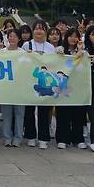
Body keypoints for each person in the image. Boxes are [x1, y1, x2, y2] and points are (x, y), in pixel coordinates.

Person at [23, 20, 56, 149]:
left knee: (44, 111)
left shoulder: (50, 47)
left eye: (41, 28)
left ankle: (43, 137)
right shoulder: (27, 45)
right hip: (30, 81)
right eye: (36, 28)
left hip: (45, 82)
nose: (39, 31)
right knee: (29, 110)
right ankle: (30, 136)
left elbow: (54, 64)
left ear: (45, 31)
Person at [55, 28, 88, 149]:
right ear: (66, 37)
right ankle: (63, 138)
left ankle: (78, 138)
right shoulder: (60, 50)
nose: (73, 39)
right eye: (70, 36)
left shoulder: (84, 52)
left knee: (78, 114)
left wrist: (80, 50)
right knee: (63, 113)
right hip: (64, 86)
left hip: (78, 87)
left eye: (76, 36)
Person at [0, 29, 25, 146]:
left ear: (19, 38)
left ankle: (18, 138)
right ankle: (7, 137)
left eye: (15, 36)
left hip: (20, 88)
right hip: (6, 88)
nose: (13, 38)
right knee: (6, 113)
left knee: (19, 113)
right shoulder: (2, 52)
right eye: (11, 36)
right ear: (8, 38)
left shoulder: (23, 53)